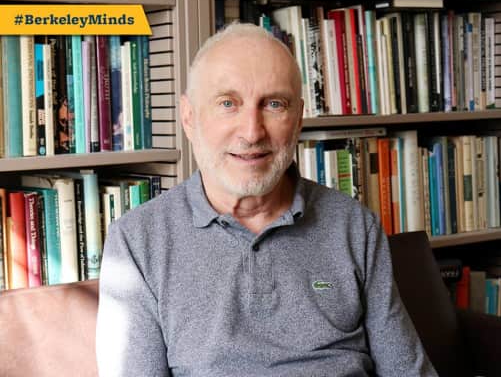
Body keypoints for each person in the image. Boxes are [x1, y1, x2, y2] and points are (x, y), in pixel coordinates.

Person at [96, 23, 438, 377]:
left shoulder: (355, 226)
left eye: (274, 104)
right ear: (189, 117)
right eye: (228, 103)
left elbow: (407, 371)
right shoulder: (137, 241)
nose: (252, 132)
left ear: (298, 118)